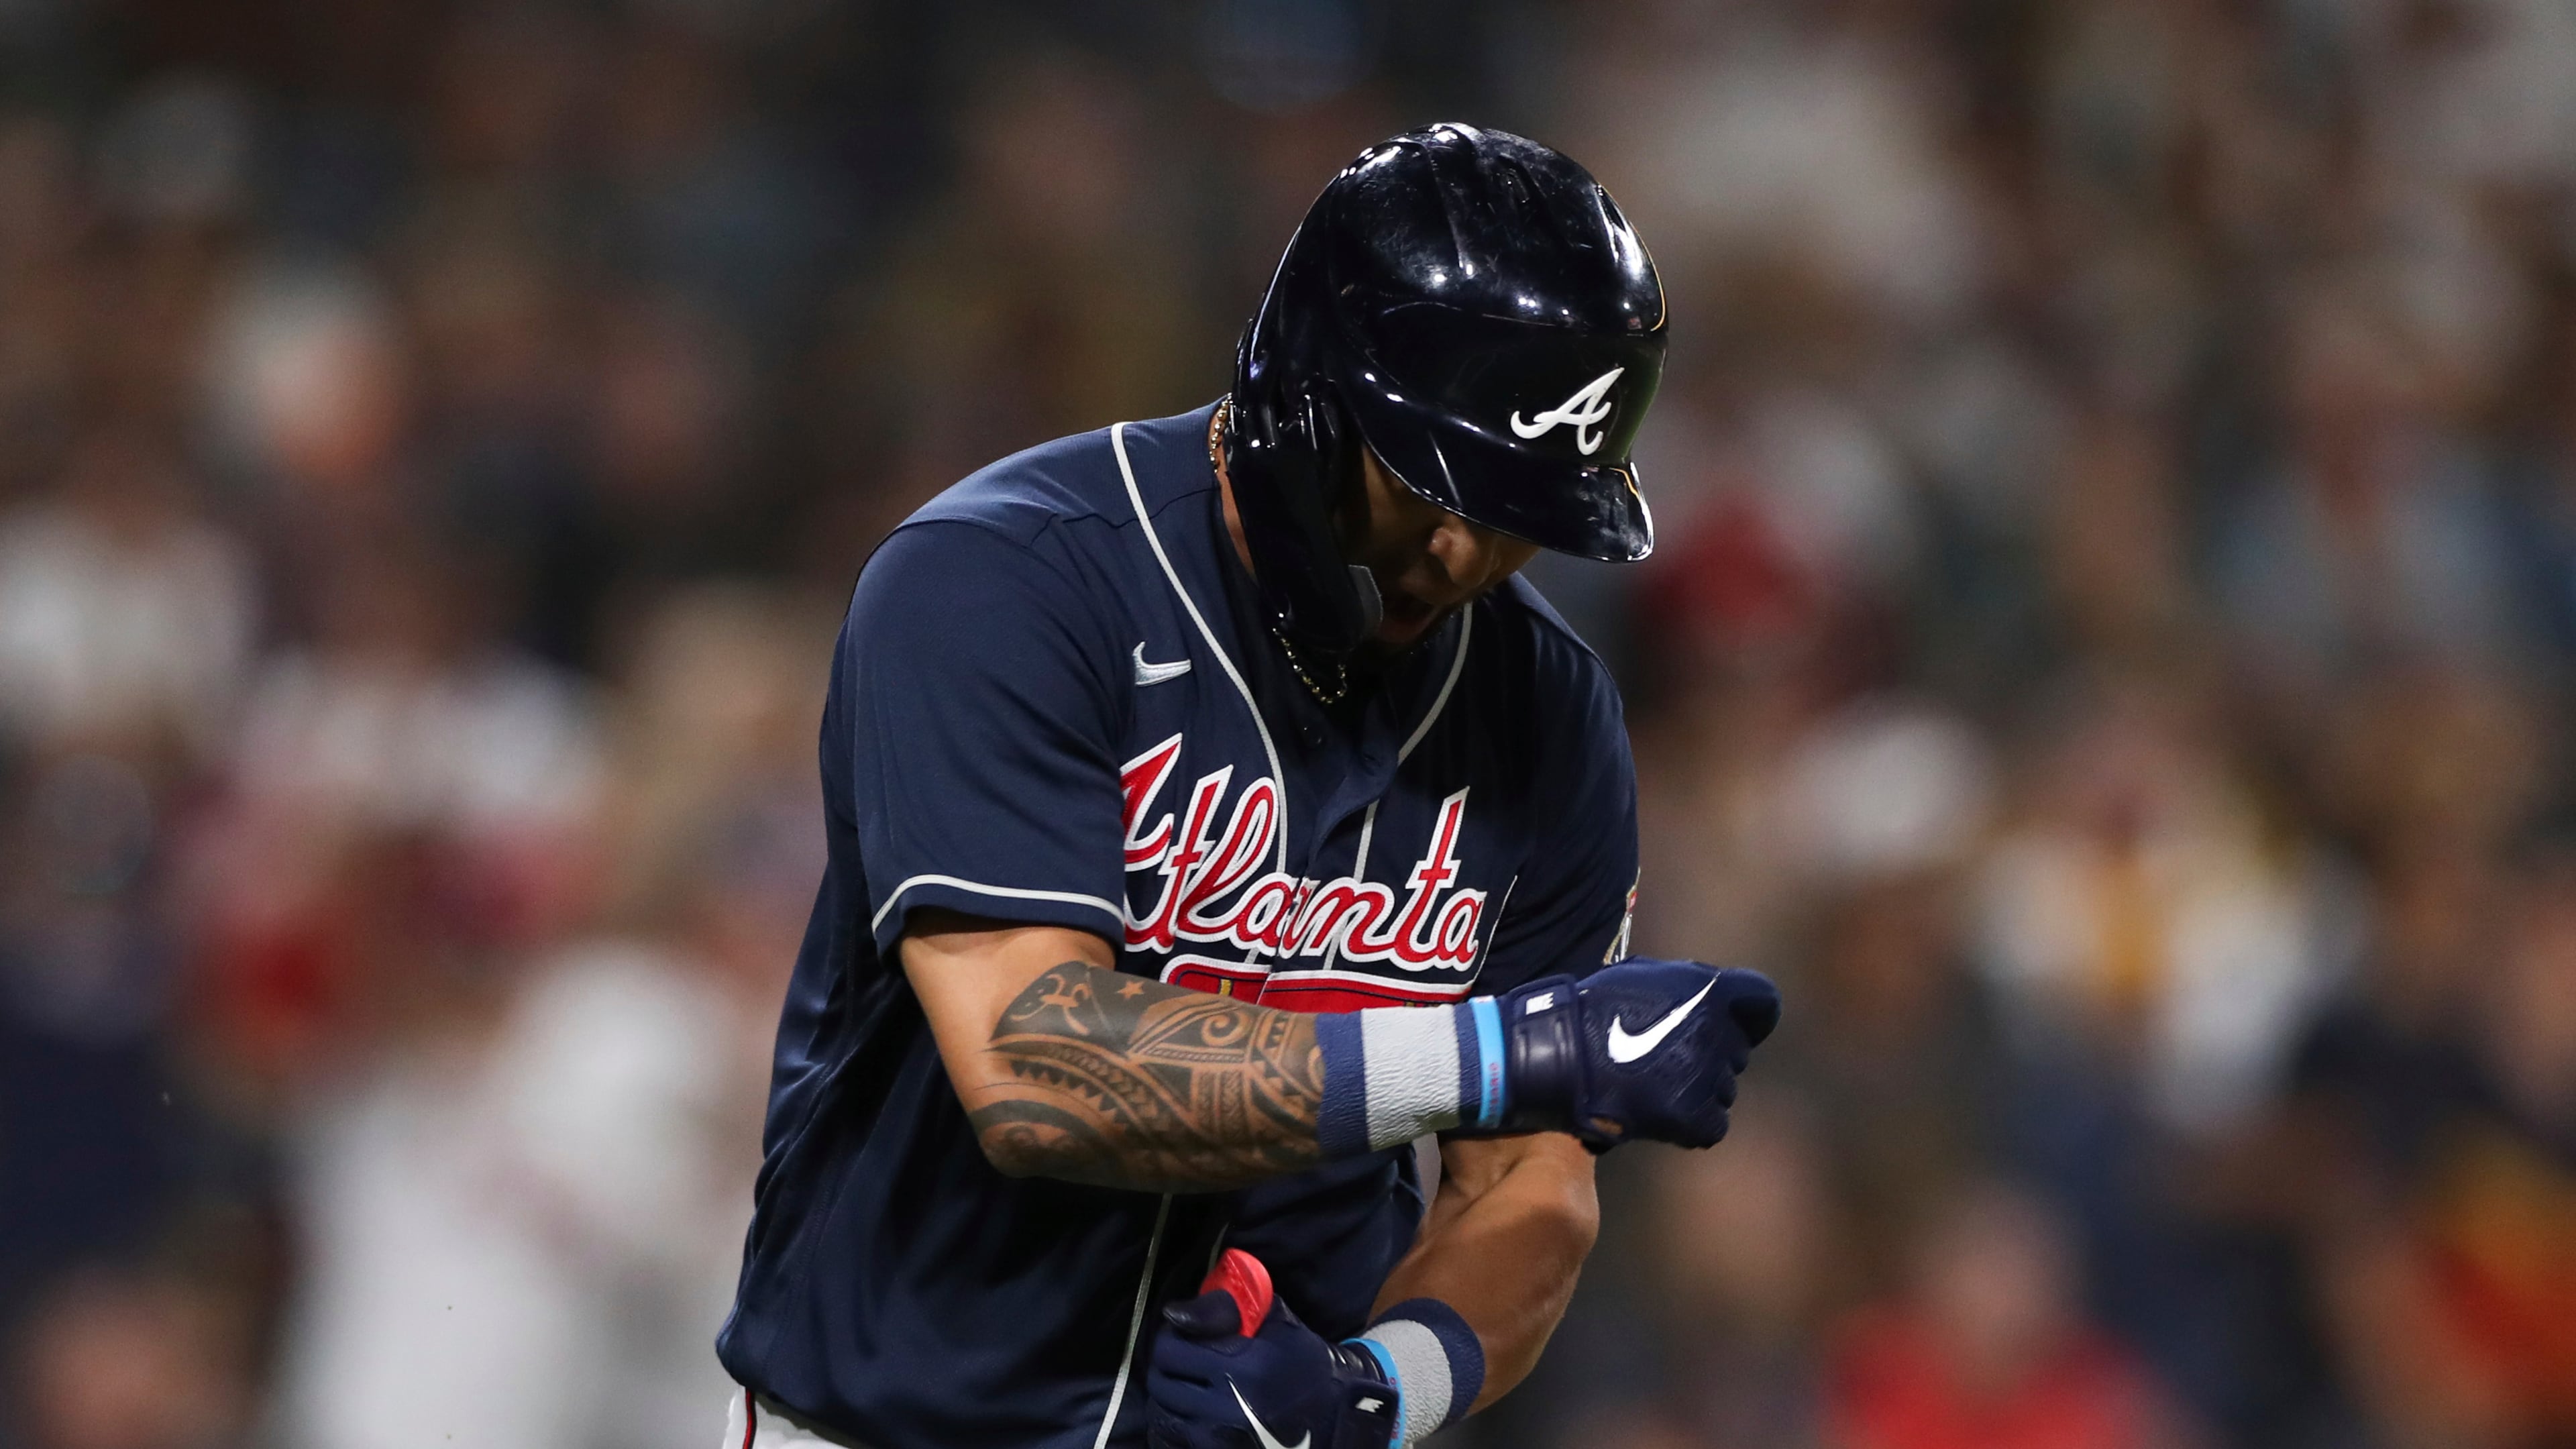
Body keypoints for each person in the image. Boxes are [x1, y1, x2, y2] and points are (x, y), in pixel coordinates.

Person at [714, 122, 1782, 1449]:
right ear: (1306, 399)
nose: (1463, 553)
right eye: (1430, 485)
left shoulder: (1548, 713)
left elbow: (1527, 1185)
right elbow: (1035, 1066)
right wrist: (1506, 1052)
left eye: (1520, 515)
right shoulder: (1007, 582)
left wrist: (1381, 1391)